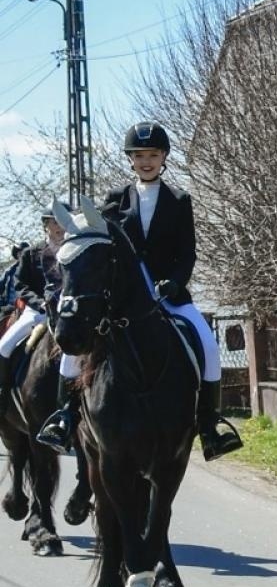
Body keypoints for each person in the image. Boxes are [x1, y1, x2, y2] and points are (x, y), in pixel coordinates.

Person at [37, 121, 242, 460]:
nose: (146, 161)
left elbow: (187, 252)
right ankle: (65, 415)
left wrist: (175, 282)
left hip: (168, 294)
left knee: (208, 343)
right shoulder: (115, 199)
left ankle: (209, 424)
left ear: (164, 157)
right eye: (139, 155)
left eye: (153, 154)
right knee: (76, 347)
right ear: (130, 159)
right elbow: (94, 238)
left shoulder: (179, 199)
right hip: (123, 296)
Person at [0, 211, 62, 408]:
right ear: (46, 225)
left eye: (62, 220)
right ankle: (3, 395)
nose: (59, 225)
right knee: (3, 347)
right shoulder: (31, 253)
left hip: (66, 311)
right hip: (37, 311)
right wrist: (40, 302)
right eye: (54, 221)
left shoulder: (74, 249)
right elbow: (20, 284)